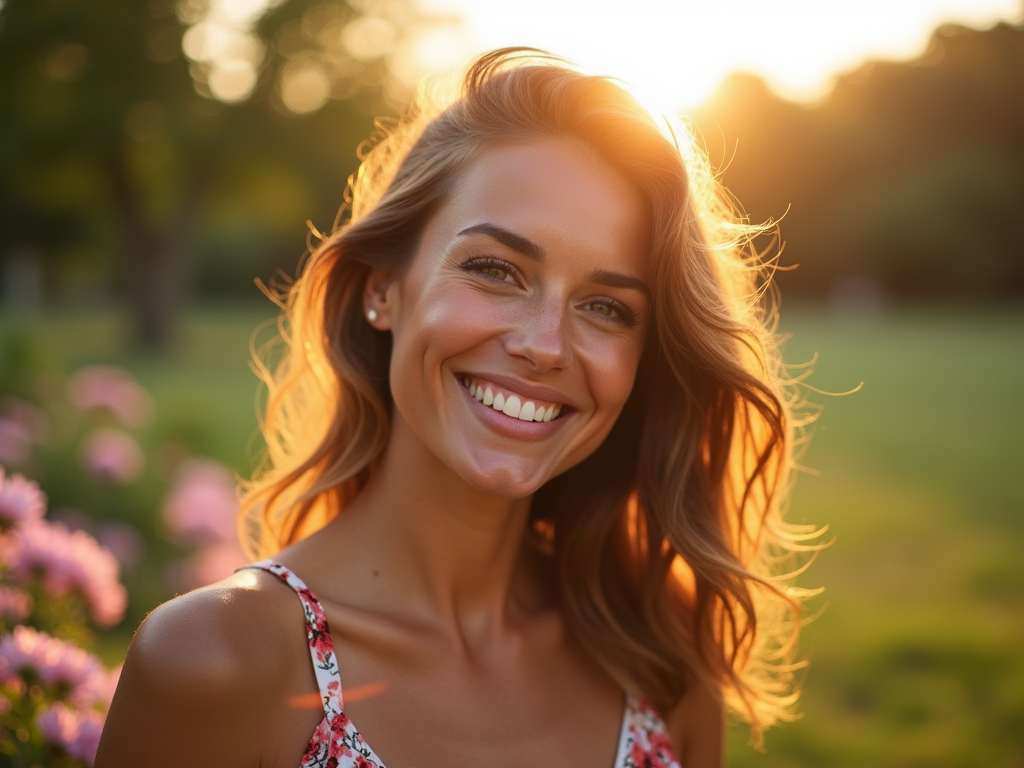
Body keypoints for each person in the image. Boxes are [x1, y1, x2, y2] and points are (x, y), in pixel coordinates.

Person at [96, 48, 816, 768]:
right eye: (496, 270)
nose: (545, 346)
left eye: (605, 306)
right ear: (384, 289)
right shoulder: (215, 660)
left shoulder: (659, 650)